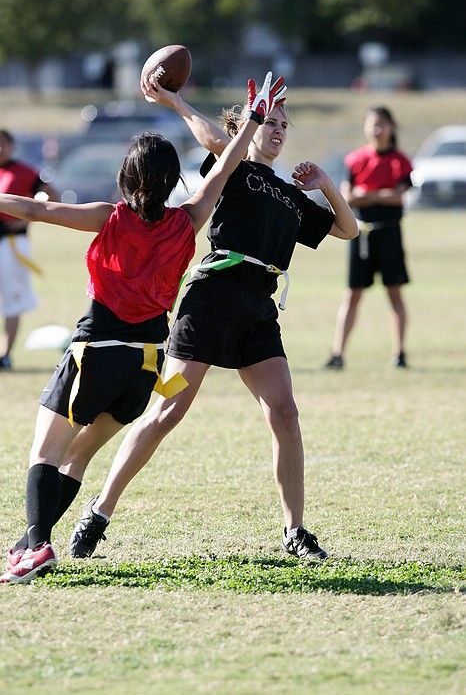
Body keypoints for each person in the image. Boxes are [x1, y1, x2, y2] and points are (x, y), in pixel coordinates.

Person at [0, 70, 280, 584]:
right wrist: (255, 120)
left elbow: (24, 208)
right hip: (147, 366)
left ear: (126, 179)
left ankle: (36, 546)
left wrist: (29, 205)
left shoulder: (108, 217)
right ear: (174, 181)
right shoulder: (189, 219)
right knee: (78, 458)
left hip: (97, 351)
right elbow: (229, 166)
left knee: (45, 453)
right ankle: (29, 544)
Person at [68, 73, 358, 563]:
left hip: (257, 312)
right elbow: (216, 140)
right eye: (271, 121)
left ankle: (296, 531)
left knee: (284, 412)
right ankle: (98, 511)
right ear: (250, 125)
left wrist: (326, 184)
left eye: (284, 124)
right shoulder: (237, 169)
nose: (278, 129)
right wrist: (181, 101)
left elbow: (349, 230)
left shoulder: (289, 196)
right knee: (167, 409)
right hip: (210, 302)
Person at [325, 106, 413, 370]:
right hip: (360, 233)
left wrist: (368, 193)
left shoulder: (400, 161)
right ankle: (338, 353)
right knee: (352, 294)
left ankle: (400, 353)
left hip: (389, 233)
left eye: (383, 124)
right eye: (373, 124)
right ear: (366, 127)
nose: (378, 129)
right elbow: (347, 196)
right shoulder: (355, 160)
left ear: (391, 127)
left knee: (394, 293)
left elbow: (399, 196)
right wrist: (381, 194)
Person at [0, 129, 58, 370]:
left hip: (11, 242)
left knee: (12, 299)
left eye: (2, 144)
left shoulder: (24, 172)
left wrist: (27, 219)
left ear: (11, 146)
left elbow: (51, 197)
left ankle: (5, 354)